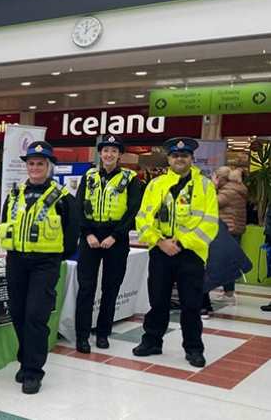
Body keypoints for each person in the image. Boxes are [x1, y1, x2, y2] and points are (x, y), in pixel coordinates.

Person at [0, 141, 80, 394]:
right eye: (31, 163)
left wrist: (55, 256)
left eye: (40, 164)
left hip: (45, 263)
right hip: (17, 261)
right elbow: (5, 221)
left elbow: (72, 231)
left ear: (48, 166)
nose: (35, 168)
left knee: (36, 315)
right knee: (19, 314)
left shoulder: (63, 196)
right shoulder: (14, 194)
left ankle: (34, 371)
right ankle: (25, 361)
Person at [134, 137, 219, 368]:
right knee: (158, 300)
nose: (179, 159)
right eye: (175, 155)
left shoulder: (205, 186)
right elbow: (142, 219)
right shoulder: (155, 185)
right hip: (161, 251)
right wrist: (160, 242)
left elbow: (210, 224)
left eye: (184, 155)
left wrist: (180, 243)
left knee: (191, 304)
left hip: (191, 254)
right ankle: (152, 341)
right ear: (169, 159)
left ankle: (193, 348)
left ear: (191, 158)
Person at [74, 135, 144, 353]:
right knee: (86, 288)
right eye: (105, 150)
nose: (109, 154)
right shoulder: (89, 176)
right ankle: (82, 335)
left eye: (114, 151)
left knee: (110, 288)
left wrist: (115, 235)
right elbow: (78, 206)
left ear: (119, 155)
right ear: (100, 153)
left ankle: (103, 333)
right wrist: (87, 234)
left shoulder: (130, 178)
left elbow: (134, 211)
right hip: (90, 238)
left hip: (117, 239)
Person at [214, 166, 248, 300]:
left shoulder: (227, 191)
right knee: (228, 261)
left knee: (225, 262)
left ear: (221, 179)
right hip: (234, 229)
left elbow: (213, 202)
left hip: (227, 229)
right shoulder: (237, 188)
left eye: (216, 177)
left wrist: (213, 187)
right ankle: (228, 291)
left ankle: (229, 293)